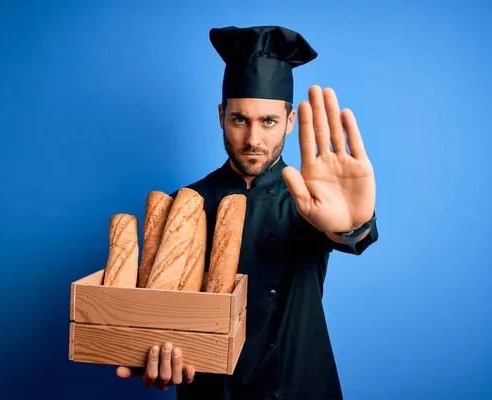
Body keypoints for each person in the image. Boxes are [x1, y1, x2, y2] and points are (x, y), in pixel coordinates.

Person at [115, 25, 378, 399]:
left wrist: (352, 226)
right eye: (240, 119)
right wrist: (154, 355)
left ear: (288, 122)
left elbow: (353, 234)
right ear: (222, 116)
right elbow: (159, 318)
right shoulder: (184, 205)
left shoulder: (314, 199)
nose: (253, 139)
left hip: (302, 384)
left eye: (268, 121)